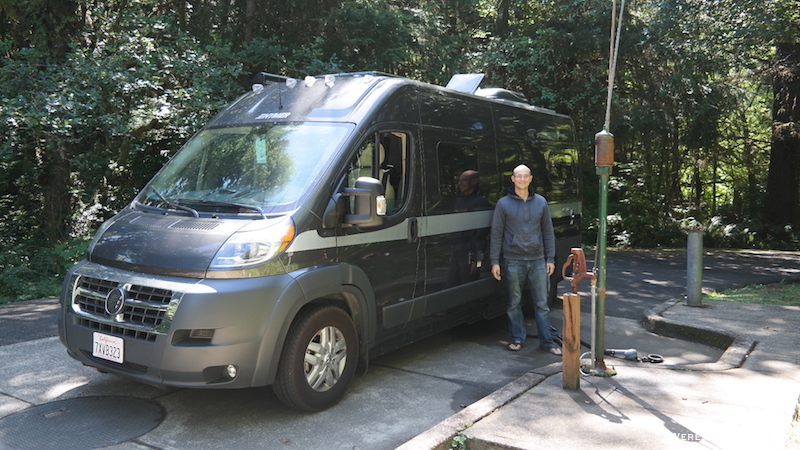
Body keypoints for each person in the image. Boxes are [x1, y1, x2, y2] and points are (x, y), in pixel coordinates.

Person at [490, 164, 561, 355]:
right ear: (512, 179)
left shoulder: (541, 202)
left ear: (531, 179)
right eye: (518, 176)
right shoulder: (503, 204)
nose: (522, 179)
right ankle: (516, 339)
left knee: (542, 304)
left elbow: (548, 232)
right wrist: (494, 261)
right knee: (514, 303)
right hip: (513, 260)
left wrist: (550, 258)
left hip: (538, 260)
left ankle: (547, 342)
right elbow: (496, 233)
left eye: (525, 176)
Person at [447, 170, 491, 286]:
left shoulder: (480, 202)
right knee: (451, 285)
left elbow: (481, 234)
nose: (459, 184)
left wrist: (478, 259)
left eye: (463, 180)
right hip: (457, 251)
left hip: (469, 252)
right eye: (459, 180)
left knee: (468, 285)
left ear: (475, 181)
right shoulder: (460, 200)